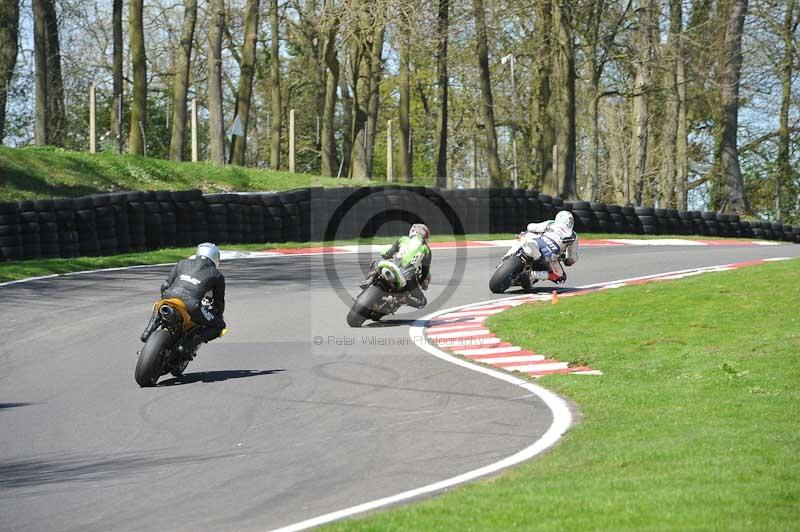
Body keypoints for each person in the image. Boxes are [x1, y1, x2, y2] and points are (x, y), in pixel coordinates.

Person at [140, 242, 227, 354]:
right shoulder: (217, 275)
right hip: (192, 305)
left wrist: (165, 297)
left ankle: (148, 330)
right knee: (219, 326)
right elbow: (219, 301)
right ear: (215, 257)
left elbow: (165, 285)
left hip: (170, 297)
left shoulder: (182, 263)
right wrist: (218, 316)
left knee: (161, 303)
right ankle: (189, 344)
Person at [360, 223, 432, 308]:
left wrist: (385, 255)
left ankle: (370, 279)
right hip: (407, 277)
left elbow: (386, 253)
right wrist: (422, 281)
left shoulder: (403, 239)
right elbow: (425, 271)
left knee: (376, 263)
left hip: (392, 265)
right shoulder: (426, 249)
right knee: (422, 302)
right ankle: (401, 299)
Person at [522, 210, 579, 284]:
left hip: (538, 243)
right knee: (561, 277)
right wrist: (567, 261)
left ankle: (511, 255)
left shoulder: (551, 223)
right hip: (551, 255)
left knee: (526, 237)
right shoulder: (573, 235)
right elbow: (572, 258)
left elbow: (531, 227)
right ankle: (532, 275)